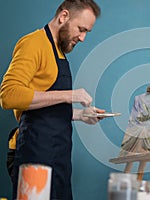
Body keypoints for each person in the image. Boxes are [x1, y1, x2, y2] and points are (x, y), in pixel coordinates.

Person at [0, 0, 103, 199]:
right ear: (63, 16)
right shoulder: (33, 43)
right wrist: (70, 95)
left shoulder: (59, 52)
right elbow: (8, 95)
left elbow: (44, 108)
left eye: (86, 32)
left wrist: (80, 115)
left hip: (60, 158)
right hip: (35, 155)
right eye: (81, 29)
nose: (82, 38)